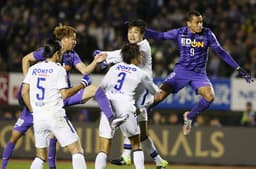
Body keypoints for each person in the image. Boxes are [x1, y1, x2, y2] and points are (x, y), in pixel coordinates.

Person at [1, 24, 124, 169]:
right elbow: (25, 59)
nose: (75, 42)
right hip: (55, 100)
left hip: (58, 100)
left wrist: (95, 62)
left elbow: (84, 70)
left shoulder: (72, 55)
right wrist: (27, 79)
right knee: (63, 142)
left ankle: (111, 119)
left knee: (94, 90)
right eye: (73, 38)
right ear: (64, 39)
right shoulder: (48, 52)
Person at [144, 10, 253, 135]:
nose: (200, 25)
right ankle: (145, 111)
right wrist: (142, 31)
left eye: (201, 22)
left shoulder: (207, 34)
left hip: (198, 75)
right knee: (159, 96)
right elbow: (160, 36)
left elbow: (221, 52)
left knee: (210, 97)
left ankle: (189, 116)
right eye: (197, 22)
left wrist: (238, 68)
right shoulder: (180, 32)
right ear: (189, 23)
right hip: (181, 72)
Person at [96, 19, 168, 169]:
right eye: (130, 32)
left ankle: (131, 156)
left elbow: (122, 55)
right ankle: (156, 161)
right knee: (140, 134)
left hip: (141, 93)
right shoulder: (130, 54)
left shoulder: (143, 47)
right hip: (132, 95)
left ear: (143, 35)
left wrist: (105, 56)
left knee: (138, 135)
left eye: (135, 32)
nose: (132, 35)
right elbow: (124, 54)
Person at [21, 39, 88, 169]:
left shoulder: (33, 68)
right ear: (57, 54)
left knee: (40, 156)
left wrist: (33, 111)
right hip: (54, 115)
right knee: (77, 150)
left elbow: (24, 93)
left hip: (39, 117)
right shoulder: (59, 70)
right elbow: (65, 94)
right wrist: (82, 84)